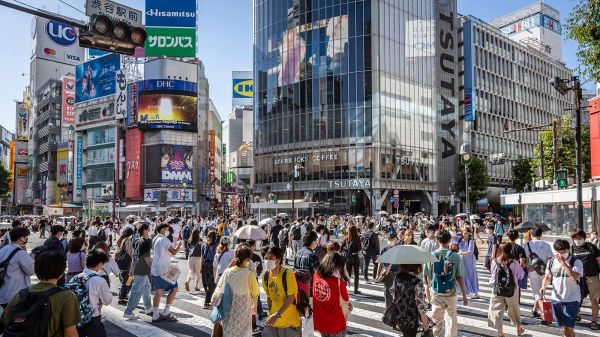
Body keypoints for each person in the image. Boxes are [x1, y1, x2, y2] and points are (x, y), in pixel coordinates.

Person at [1, 250, 80, 337]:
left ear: (36, 270)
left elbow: (6, 321)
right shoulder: (67, 297)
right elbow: (70, 333)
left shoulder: (21, 294)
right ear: (61, 273)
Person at [423, 230, 468, 337]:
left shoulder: (431, 256)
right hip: (451, 292)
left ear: (437, 240)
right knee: (451, 319)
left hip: (436, 292)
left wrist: (428, 296)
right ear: (449, 240)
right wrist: (464, 295)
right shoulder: (455, 256)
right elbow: (460, 277)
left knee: (436, 321)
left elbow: (427, 278)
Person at [212, 244, 259, 337]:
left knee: (228, 332)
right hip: (243, 311)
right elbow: (255, 293)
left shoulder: (227, 272)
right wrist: (255, 305)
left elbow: (219, 287)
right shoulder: (249, 274)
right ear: (246, 259)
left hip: (227, 310)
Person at [541, 239, 583, 337]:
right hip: (556, 299)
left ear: (568, 250)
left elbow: (574, 277)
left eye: (563, 252)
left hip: (572, 299)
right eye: (558, 252)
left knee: (568, 327)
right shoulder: (551, 262)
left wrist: (564, 264)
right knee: (564, 327)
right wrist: (543, 286)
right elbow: (548, 277)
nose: (561, 255)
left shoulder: (576, 261)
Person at [487, 243, 525, 337]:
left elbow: (492, 273)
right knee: (513, 309)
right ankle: (518, 328)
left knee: (496, 310)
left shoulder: (495, 261)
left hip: (497, 289)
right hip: (511, 290)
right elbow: (521, 275)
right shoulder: (514, 263)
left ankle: (500, 332)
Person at [262, 247, 302, 337]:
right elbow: (269, 297)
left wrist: (276, 315)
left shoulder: (288, 274)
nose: (267, 261)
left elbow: (291, 297)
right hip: (273, 322)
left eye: (271, 258)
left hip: (288, 323)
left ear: (278, 260)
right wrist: (272, 314)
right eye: (266, 258)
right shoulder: (266, 276)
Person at [312, 252, 351, 337]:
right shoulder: (338, 282)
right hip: (335, 320)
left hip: (321, 318)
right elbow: (346, 300)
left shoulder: (316, 275)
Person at [385, 264, 430, 337]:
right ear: (416, 266)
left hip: (399, 314)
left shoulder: (398, 277)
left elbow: (392, 291)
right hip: (411, 318)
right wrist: (425, 324)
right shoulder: (417, 282)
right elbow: (420, 305)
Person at [150, 223, 182, 322]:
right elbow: (174, 252)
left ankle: (156, 314)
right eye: (168, 229)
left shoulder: (155, 239)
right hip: (164, 269)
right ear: (163, 229)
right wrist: (179, 245)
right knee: (174, 288)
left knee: (159, 291)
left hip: (155, 268)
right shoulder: (164, 240)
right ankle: (166, 311)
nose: (169, 231)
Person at [77, 248, 112, 337]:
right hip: (92, 319)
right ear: (99, 265)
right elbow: (107, 301)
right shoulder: (100, 281)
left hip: (76, 318)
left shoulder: (76, 277)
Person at [570, 229, 600, 329]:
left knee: (594, 301)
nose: (577, 240)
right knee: (576, 298)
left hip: (592, 277)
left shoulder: (591, 247)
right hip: (577, 278)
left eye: (580, 238)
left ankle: (594, 321)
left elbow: (599, 260)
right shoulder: (571, 248)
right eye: (575, 238)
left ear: (584, 238)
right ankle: (577, 313)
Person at [123, 223, 153, 320]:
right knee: (136, 291)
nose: (150, 230)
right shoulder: (145, 242)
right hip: (141, 269)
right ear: (144, 230)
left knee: (146, 287)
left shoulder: (137, 240)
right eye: (148, 229)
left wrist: (132, 269)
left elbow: (134, 256)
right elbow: (147, 258)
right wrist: (153, 268)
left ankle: (148, 307)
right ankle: (128, 311)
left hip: (137, 267)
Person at [0, 227, 34, 307]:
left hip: (3, 292)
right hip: (16, 295)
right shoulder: (20, 253)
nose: (26, 238)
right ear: (22, 238)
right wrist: (32, 259)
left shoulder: (3, 249)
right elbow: (31, 271)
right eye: (26, 236)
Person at [524, 227, 554, 318]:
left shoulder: (527, 245)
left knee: (536, 292)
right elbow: (550, 259)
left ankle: (542, 310)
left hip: (532, 271)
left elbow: (525, 259)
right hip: (544, 271)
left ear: (531, 235)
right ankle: (535, 309)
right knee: (542, 290)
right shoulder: (546, 245)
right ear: (541, 235)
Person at [377, 233, 400, 307]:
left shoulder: (400, 249)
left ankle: (397, 309)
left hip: (398, 273)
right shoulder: (384, 249)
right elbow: (380, 262)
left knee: (398, 293)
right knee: (387, 293)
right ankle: (388, 310)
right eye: (389, 239)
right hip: (388, 274)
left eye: (393, 239)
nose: (391, 241)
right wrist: (378, 273)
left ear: (397, 240)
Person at [457, 227, 479, 299]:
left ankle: (475, 293)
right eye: (463, 232)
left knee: (472, 275)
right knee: (463, 276)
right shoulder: (460, 240)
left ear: (469, 233)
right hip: (462, 260)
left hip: (470, 261)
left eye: (465, 232)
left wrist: (460, 253)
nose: (464, 234)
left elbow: (470, 252)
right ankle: (465, 292)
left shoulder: (471, 241)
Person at [115, 227, 134, 305]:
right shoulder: (128, 240)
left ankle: (124, 295)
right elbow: (130, 253)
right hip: (127, 263)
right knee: (128, 280)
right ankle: (121, 297)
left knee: (126, 280)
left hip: (120, 263)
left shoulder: (120, 239)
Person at [341, 225, 361, 294]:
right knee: (356, 274)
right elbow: (359, 248)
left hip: (347, 258)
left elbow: (341, 248)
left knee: (347, 274)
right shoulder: (357, 238)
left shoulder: (346, 238)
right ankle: (355, 289)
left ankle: (345, 289)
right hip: (355, 257)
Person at [200, 232, 218, 309]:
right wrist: (201, 267)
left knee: (209, 284)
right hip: (208, 265)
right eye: (208, 237)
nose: (209, 238)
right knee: (207, 284)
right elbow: (202, 258)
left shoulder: (215, 246)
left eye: (210, 237)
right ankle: (209, 300)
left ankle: (207, 302)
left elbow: (202, 258)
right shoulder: (205, 245)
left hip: (210, 265)